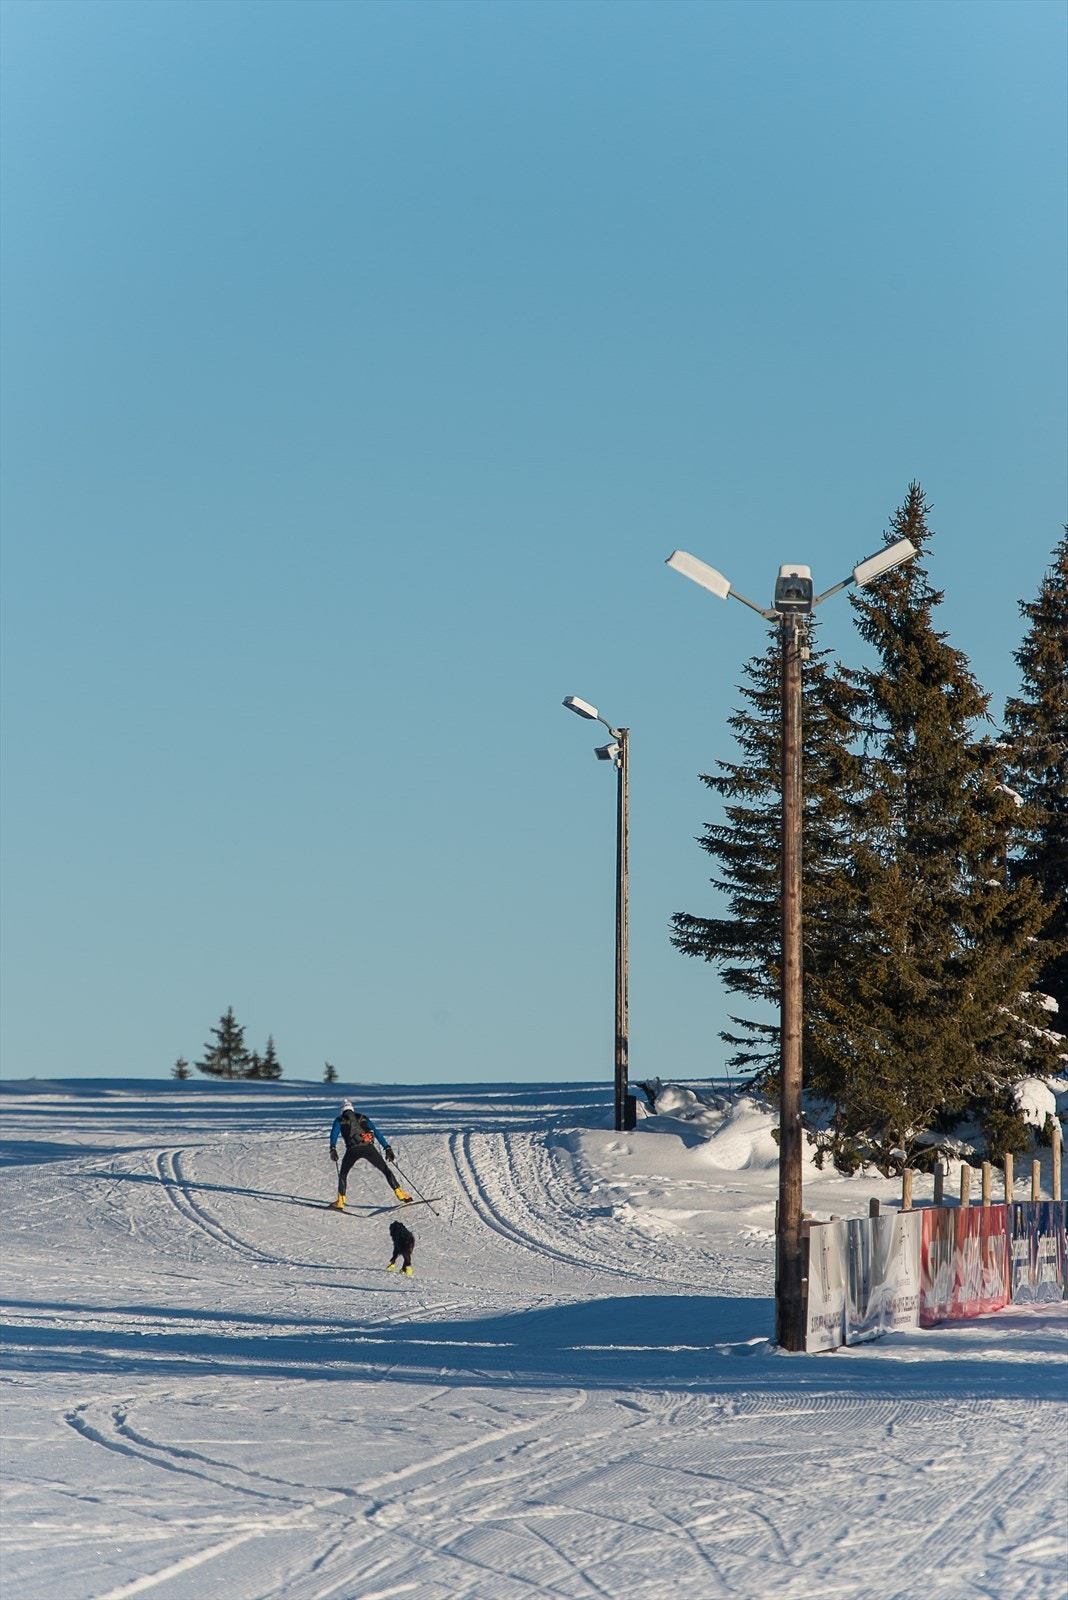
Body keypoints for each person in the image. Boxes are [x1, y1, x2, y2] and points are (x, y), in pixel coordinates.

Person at [328, 1100, 412, 1209]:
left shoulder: (339, 1120)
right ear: (352, 1109)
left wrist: (333, 1149)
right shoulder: (363, 1117)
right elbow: (376, 1132)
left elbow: (333, 1135)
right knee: (386, 1170)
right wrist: (387, 1148)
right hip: (368, 1148)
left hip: (353, 1150)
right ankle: (401, 1195)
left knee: (343, 1174)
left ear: (342, 1110)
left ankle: (340, 1201)